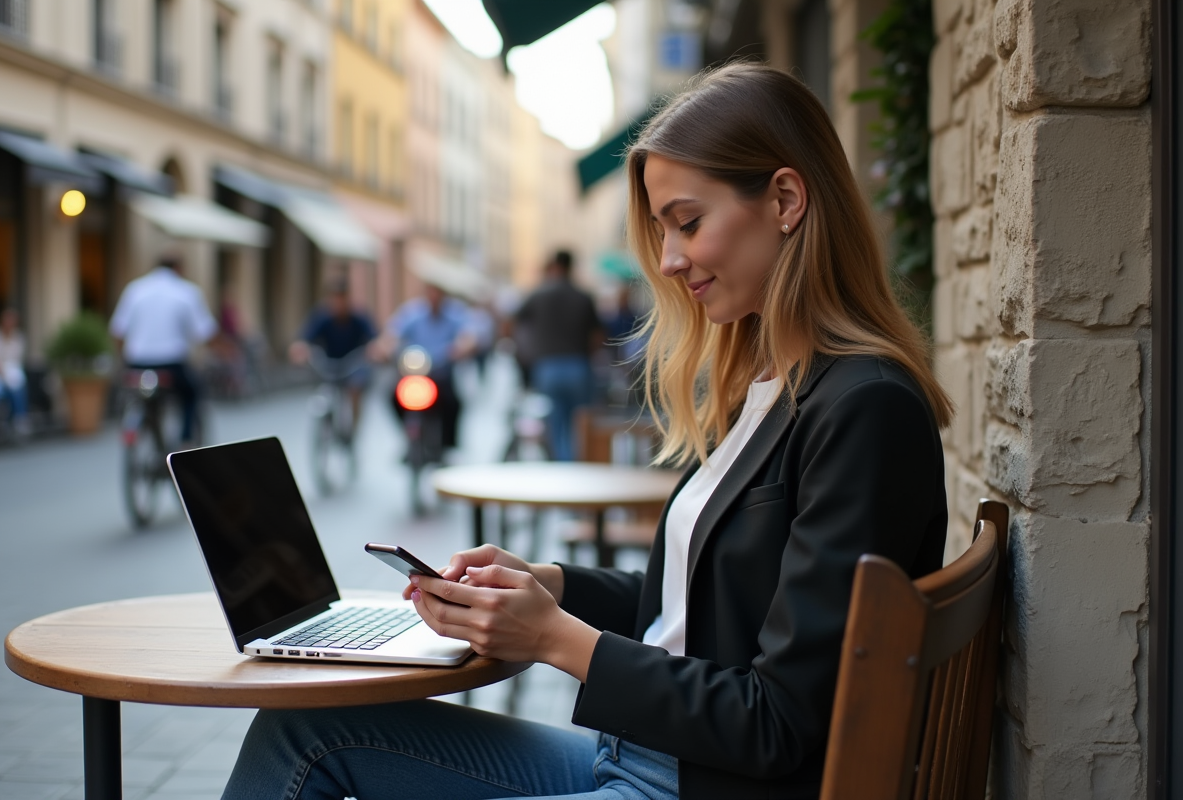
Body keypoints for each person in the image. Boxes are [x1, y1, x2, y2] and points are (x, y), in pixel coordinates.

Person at [219, 63, 954, 800]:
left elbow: (779, 723)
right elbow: (700, 608)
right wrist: (550, 586)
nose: (668, 261)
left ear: (786, 200)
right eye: (661, 231)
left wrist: (553, 638)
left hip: (695, 783)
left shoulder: (865, 408)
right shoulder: (771, 384)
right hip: (649, 758)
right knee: (301, 728)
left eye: (688, 222)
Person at [109, 255, 217, 445]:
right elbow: (205, 332)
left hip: (137, 364)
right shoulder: (186, 291)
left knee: (140, 398)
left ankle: (145, 430)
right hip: (172, 365)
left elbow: (118, 332)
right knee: (191, 394)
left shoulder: (135, 289)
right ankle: (186, 440)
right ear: (178, 269)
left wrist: (123, 360)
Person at [514, 250, 602, 460]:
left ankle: (562, 464)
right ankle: (577, 461)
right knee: (580, 423)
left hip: (548, 366)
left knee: (554, 423)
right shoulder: (583, 297)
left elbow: (514, 324)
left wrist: (526, 354)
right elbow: (598, 336)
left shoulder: (538, 295)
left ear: (554, 267)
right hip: (578, 366)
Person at [379, 280, 476, 451]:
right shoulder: (413, 313)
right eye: (431, 292)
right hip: (414, 373)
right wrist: (385, 348)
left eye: (437, 292)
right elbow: (393, 333)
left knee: (453, 403)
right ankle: (408, 436)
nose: (434, 297)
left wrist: (461, 347)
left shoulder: (455, 314)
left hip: (441, 373)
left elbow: (468, 336)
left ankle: (448, 444)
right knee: (393, 397)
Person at [289, 280, 379, 432]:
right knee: (323, 388)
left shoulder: (358, 317)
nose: (338, 303)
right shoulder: (322, 317)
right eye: (335, 298)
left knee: (355, 388)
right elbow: (305, 338)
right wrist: (299, 350)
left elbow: (374, 339)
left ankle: (353, 429)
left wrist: (375, 350)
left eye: (341, 298)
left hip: (353, 365)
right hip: (329, 365)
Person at [0, 307, 30, 439]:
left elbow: (17, 360)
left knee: (17, 386)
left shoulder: (19, 337)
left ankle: (19, 420)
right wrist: (1, 373)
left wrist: (9, 374)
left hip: (11, 373)